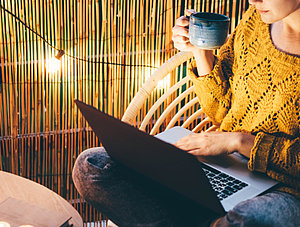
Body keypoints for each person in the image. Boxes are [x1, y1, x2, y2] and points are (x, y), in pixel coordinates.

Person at [72, 0, 300, 226]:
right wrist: (200, 53)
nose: (253, 0)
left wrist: (241, 141)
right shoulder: (255, 20)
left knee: (249, 220)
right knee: (91, 165)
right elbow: (220, 113)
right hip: (226, 162)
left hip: (288, 188)